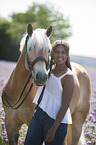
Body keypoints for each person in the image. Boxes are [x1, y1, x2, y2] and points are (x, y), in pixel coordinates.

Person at [24, 40, 74, 145]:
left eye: (63, 52)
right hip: (39, 115)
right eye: (57, 52)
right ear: (52, 53)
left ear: (67, 54)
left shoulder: (68, 76)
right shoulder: (49, 68)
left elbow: (65, 105)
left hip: (56, 122)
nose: (60, 55)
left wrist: (54, 129)